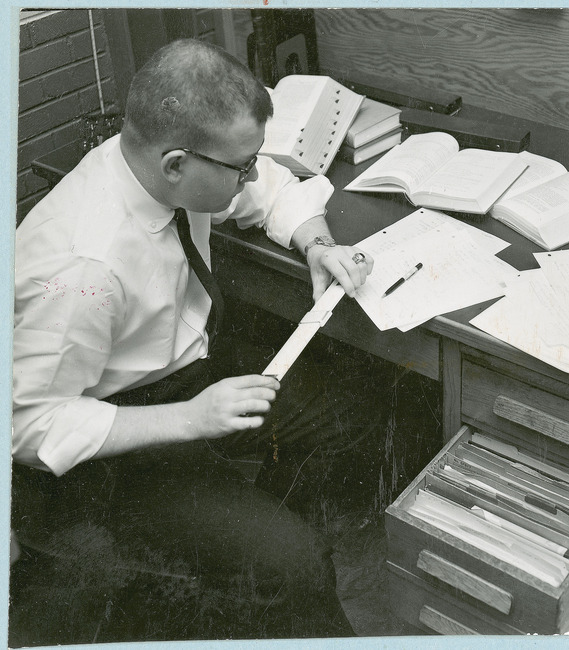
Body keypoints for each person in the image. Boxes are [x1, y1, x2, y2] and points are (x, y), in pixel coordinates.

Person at [12, 38, 377, 639]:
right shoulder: (84, 268)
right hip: (116, 437)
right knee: (294, 562)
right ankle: (271, 570)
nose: (252, 173)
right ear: (177, 164)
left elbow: (272, 190)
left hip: (187, 375)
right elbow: (27, 424)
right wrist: (190, 419)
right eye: (243, 164)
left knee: (342, 418)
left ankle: (246, 571)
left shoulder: (166, 169)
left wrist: (318, 243)